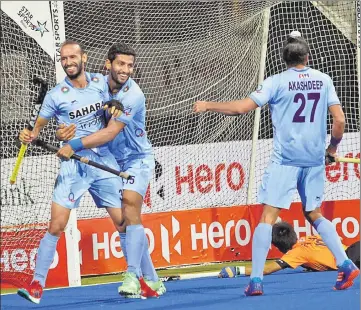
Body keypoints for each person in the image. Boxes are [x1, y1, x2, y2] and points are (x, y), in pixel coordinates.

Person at [193, 31, 359, 296]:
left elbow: (240, 108)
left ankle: (256, 281)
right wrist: (332, 148)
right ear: (308, 56)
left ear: (283, 59)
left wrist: (208, 105)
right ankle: (345, 263)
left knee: (267, 219)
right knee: (314, 213)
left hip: (286, 160)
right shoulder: (324, 79)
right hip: (314, 159)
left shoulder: (275, 82)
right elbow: (339, 121)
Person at [17, 40, 124, 304]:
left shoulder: (101, 82)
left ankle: (141, 278)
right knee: (56, 225)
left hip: (103, 160)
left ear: (83, 58)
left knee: (123, 222)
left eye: (72, 57)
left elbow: (117, 107)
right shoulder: (55, 95)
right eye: (63, 59)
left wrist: (112, 108)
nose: (68, 62)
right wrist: (31, 135)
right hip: (73, 164)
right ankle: (36, 285)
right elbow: (37, 129)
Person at [55, 43, 165, 298]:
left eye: (130, 65)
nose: (125, 70)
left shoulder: (134, 95)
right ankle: (153, 280)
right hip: (112, 162)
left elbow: (109, 132)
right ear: (108, 64)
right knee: (123, 223)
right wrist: (62, 130)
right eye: (120, 64)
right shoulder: (96, 85)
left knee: (129, 205)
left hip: (138, 160)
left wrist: (73, 145)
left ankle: (131, 275)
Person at [219, 221, 360, 278]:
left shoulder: (295, 254)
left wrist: (237, 270)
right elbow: (338, 240)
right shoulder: (309, 237)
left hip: (353, 259)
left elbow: (266, 270)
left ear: (278, 247)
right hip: (354, 249)